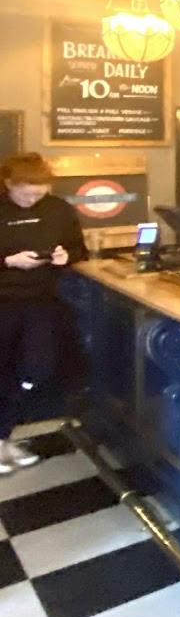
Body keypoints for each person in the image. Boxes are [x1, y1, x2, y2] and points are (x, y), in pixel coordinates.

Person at [0, 153, 86, 474]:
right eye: (25, 192)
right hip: (3, 302)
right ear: (9, 184)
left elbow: (79, 249)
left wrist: (66, 255)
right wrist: (9, 261)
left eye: (39, 192)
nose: (32, 198)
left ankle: (3, 436)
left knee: (36, 367)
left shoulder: (58, 209)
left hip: (43, 302)